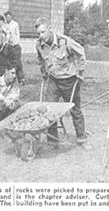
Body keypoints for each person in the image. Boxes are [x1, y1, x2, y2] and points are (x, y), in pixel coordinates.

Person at [34, 17, 89, 149]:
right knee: (49, 109)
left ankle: (82, 139)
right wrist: (44, 72)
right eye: (38, 33)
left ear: (49, 29)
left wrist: (80, 72)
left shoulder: (64, 41)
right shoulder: (39, 44)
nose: (41, 36)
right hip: (53, 80)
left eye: (42, 32)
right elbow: (41, 59)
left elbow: (81, 52)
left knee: (75, 110)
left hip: (69, 80)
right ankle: (53, 141)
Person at [4, 11, 25, 84]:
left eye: (9, 17)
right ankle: (11, 78)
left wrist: (16, 43)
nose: (7, 18)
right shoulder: (5, 25)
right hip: (9, 46)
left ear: (11, 17)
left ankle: (21, 78)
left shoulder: (15, 24)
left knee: (17, 62)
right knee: (9, 62)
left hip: (15, 45)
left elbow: (17, 34)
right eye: (6, 17)